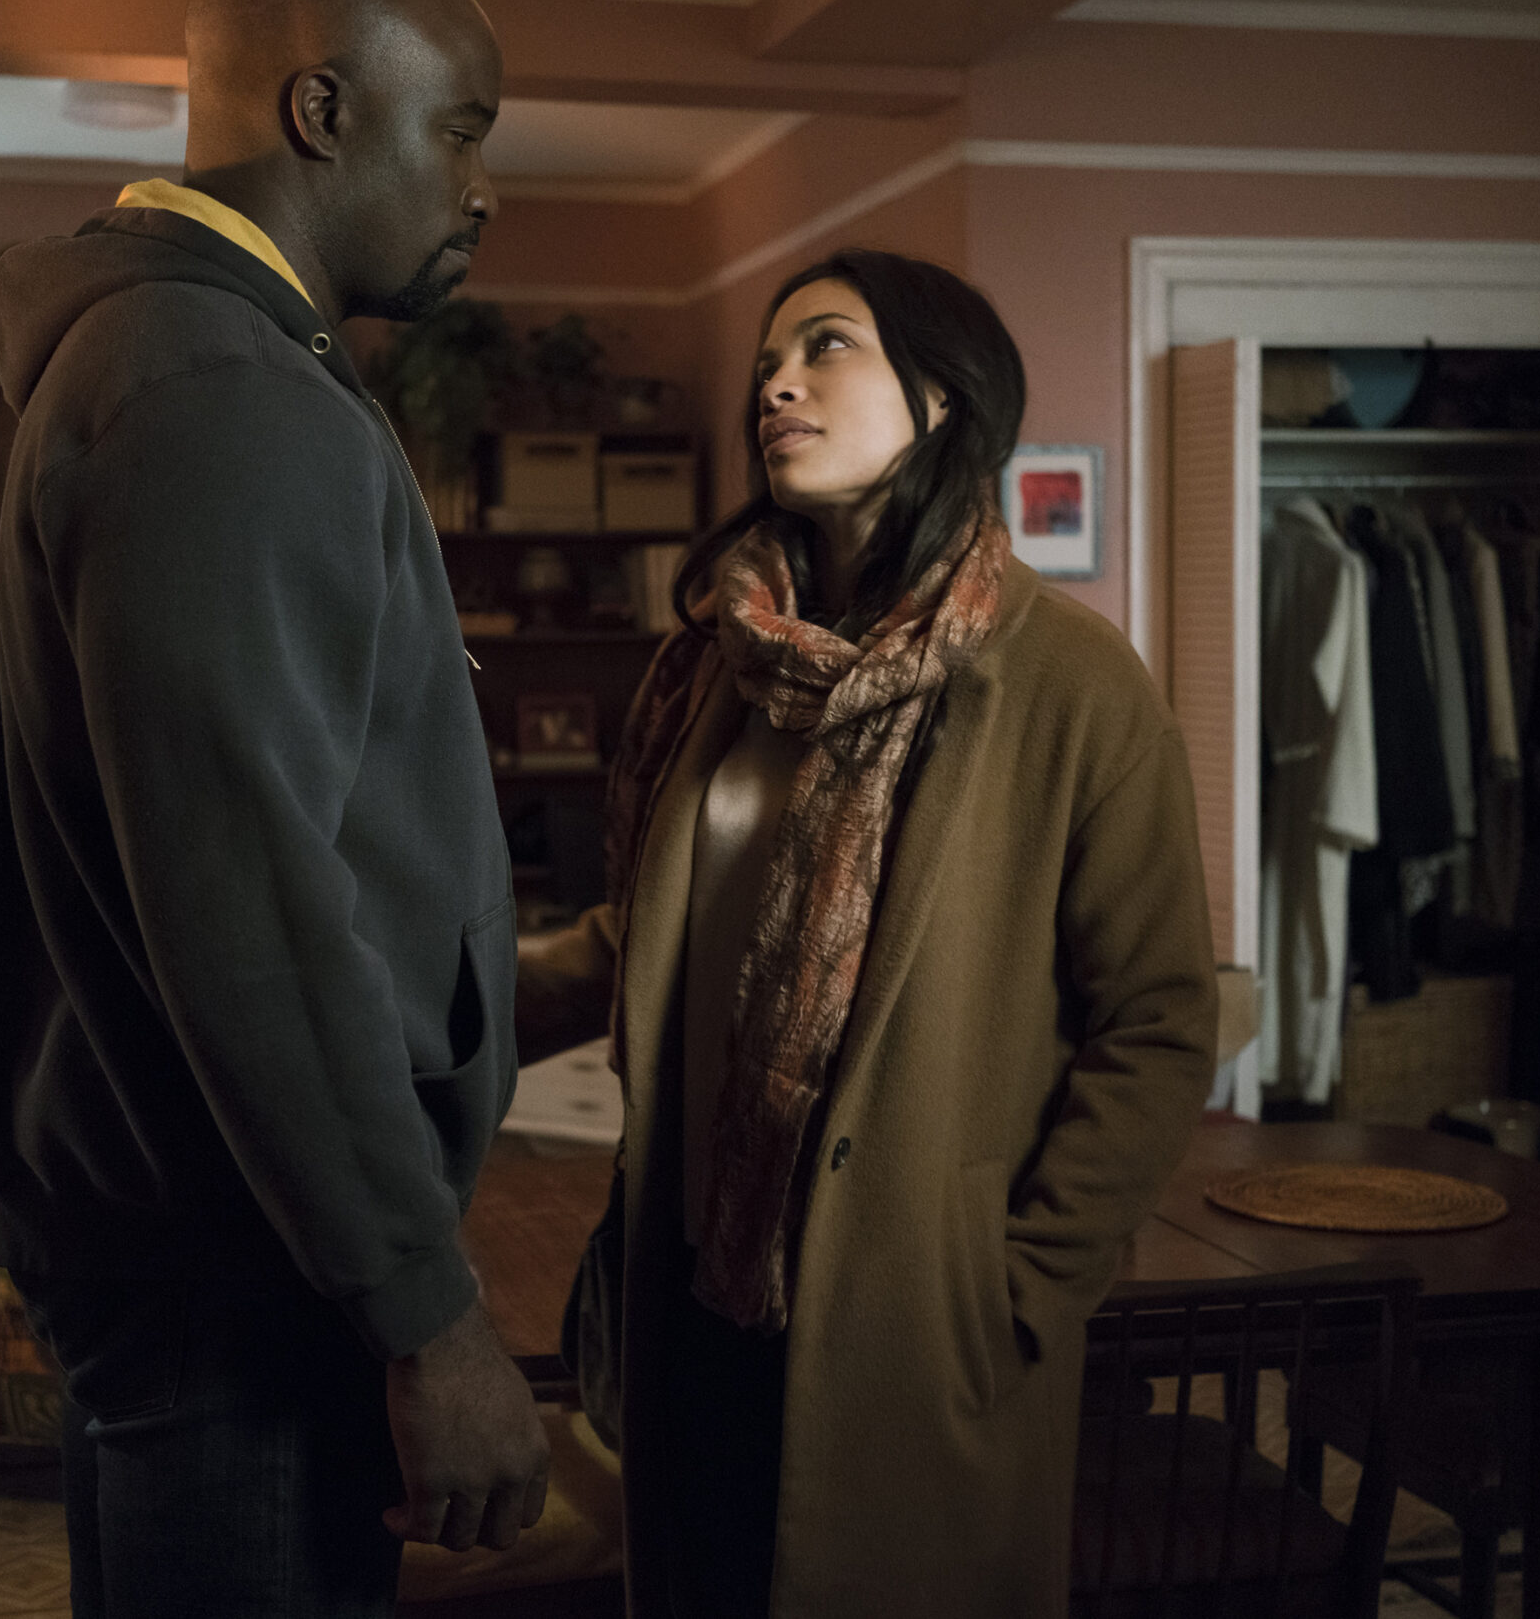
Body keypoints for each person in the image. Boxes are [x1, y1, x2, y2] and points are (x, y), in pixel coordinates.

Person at [0, 0, 547, 1616]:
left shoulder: (187, 363)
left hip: (200, 1241)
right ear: (321, 110)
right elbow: (253, 915)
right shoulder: (215, 389)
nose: (483, 188)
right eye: (460, 130)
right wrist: (427, 1312)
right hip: (246, 1275)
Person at [518, 249, 1218, 1617]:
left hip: (913, 1320)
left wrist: (1016, 1289)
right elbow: (653, 933)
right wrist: (446, 988)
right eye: (768, 362)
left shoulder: (1072, 684)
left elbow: (1156, 1020)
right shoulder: (715, 664)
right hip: (695, 1282)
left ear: (945, 398)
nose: (776, 383)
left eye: (826, 346)